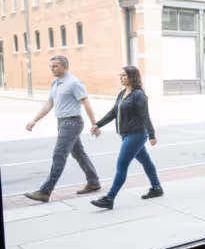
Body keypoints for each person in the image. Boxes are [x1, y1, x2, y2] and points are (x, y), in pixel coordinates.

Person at [24, 56, 103, 203]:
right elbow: (49, 105)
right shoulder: (55, 83)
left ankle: (44, 192)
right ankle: (93, 182)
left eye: (55, 66)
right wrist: (34, 120)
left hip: (72, 123)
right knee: (79, 154)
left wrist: (95, 124)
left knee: (59, 156)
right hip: (62, 122)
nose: (52, 69)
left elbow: (86, 104)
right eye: (51, 66)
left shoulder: (74, 83)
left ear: (64, 67)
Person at [89, 66, 163, 209]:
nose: (121, 77)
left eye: (124, 75)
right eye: (120, 75)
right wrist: (98, 124)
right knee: (146, 162)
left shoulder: (138, 95)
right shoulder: (122, 93)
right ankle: (157, 188)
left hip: (136, 135)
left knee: (121, 165)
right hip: (127, 135)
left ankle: (109, 198)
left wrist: (152, 135)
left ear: (132, 77)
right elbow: (113, 112)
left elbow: (145, 116)